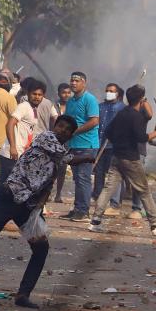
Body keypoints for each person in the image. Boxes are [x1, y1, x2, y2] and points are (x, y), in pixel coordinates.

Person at [0, 116, 90, 309]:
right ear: (54, 127)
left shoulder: (57, 154)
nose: (62, 130)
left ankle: (23, 294)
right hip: (9, 196)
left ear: (70, 135)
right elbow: (68, 159)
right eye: (60, 126)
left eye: (67, 129)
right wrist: (88, 157)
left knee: (40, 248)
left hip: (27, 205)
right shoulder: (45, 138)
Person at [90, 85, 156, 235]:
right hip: (131, 159)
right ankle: (154, 224)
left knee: (108, 189)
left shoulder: (121, 113)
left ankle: (95, 221)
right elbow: (141, 138)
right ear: (141, 99)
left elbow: (108, 131)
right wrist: (155, 133)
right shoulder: (136, 116)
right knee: (144, 190)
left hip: (117, 156)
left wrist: (119, 143)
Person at [60, 71, 100, 222]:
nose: (73, 83)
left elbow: (94, 121)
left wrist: (75, 131)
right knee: (78, 178)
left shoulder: (90, 99)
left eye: (77, 81)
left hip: (87, 145)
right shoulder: (70, 101)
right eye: (72, 80)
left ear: (84, 83)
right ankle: (77, 208)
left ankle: (83, 211)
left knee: (84, 178)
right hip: (74, 144)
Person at [0, 80, 56, 184]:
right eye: (34, 94)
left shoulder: (33, 108)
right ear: (28, 93)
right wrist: (12, 147)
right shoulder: (24, 106)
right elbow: (10, 124)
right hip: (11, 153)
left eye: (40, 95)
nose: (37, 97)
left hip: (20, 152)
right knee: (7, 185)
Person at [91, 83, 126, 216]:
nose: (108, 93)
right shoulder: (100, 107)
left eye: (111, 91)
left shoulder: (122, 108)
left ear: (117, 94)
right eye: (107, 90)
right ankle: (99, 199)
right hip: (100, 144)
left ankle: (114, 204)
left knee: (114, 175)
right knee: (99, 173)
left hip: (114, 146)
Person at [53, 83, 74, 203]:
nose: (66, 95)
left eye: (68, 92)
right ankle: (48, 192)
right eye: (63, 92)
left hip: (67, 141)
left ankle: (58, 194)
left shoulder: (73, 105)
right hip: (54, 140)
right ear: (59, 93)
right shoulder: (54, 105)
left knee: (62, 168)